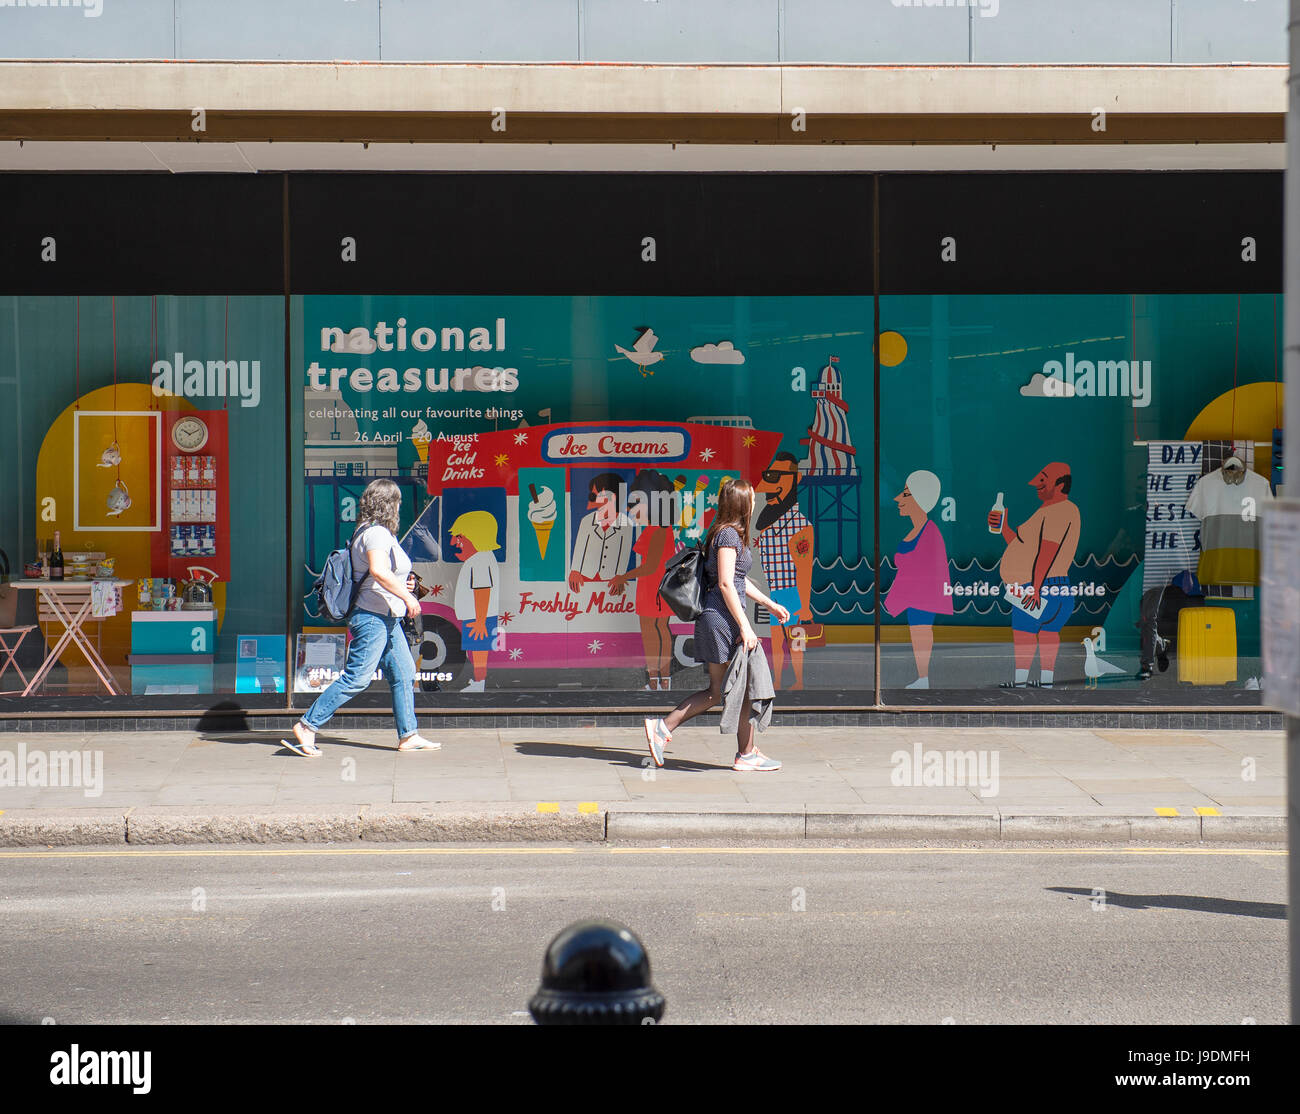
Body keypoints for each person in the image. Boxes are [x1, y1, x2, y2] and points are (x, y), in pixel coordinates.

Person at [285, 478, 440, 756]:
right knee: (357, 677)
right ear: (389, 504)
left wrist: (405, 585)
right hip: (372, 617)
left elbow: (384, 573)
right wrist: (408, 598)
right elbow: (379, 571)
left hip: (387, 617)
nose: (399, 508)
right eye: (397, 503)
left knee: (404, 673)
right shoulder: (376, 533)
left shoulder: (377, 532)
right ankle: (307, 725)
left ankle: (408, 735)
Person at [643, 479, 790, 773]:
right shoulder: (728, 535)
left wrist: (769, 604)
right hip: (722, 620)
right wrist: (745, 627)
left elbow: (737, 579)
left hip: (721, 618)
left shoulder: (725, 533)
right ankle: (743, 753)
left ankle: (666, 728)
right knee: (739, 687)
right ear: (742, 503)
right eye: (751, 498)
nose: (754, 502)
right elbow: (725, 583)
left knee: (722, 690)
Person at [989, 461, 1081, 688]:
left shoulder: (1060, 510)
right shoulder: (1048, 510)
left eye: (1043, 482)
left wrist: (1035, 588)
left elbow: (1047, 553)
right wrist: (1005, 529)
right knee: (1048, 633)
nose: (1037, 487)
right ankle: (1046, 682)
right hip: (1051, 586)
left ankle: (1022, 682)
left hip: (1042, 586)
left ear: (1060, 485)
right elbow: (1024, 548)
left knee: (1024, 633)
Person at [883, 470, 953, 689]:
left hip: (924, 598)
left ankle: (924, 678)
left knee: (921, 632)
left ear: (920, 499)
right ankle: (922, 677)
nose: (898, 499)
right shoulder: (919, 530)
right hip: (916, 597)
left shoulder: (930, 532)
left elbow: (927, 569)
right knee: (917, 633)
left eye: (905, 494)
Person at [610, 469, 677, 691]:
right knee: (661, 629)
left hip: (653, 588)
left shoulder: (657, 530)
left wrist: (623, 577)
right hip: (658, 587)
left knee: (652, 632)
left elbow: (650, 566)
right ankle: (662, 681)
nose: (631, 508)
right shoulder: (661, 528)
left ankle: (656, 681)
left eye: (636, 502)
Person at [754, 452, 815, 690]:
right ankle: (777, 680)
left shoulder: (800, 526)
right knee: (777, 640)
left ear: (796, 479)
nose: (770, 483)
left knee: (796, 641)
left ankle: (799, 681)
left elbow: (804, 569)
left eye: (778, 476)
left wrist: (805, 605)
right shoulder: (768, 522)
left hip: (792, 592)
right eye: (769, 475)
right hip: (773, 592)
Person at [450, 509, 502, 693]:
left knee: (479, 651)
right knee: (476, 651)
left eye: (459, 537)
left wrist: (480, 621)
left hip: (479, 617)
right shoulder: (480, 558)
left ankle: (480, 683)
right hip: (477, 616)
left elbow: (482, 592)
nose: (453, 542)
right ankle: (478, 681)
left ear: (475, 537)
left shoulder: (480, 559)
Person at [568, 471, 633, 593]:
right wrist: (575, 570)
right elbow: (580, 548)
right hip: (585, 578)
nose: (593, 499)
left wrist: (620, 575)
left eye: (596, 495)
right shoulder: (587, 521)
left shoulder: (626, 524)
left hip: (610, 580)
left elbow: (624, 552)